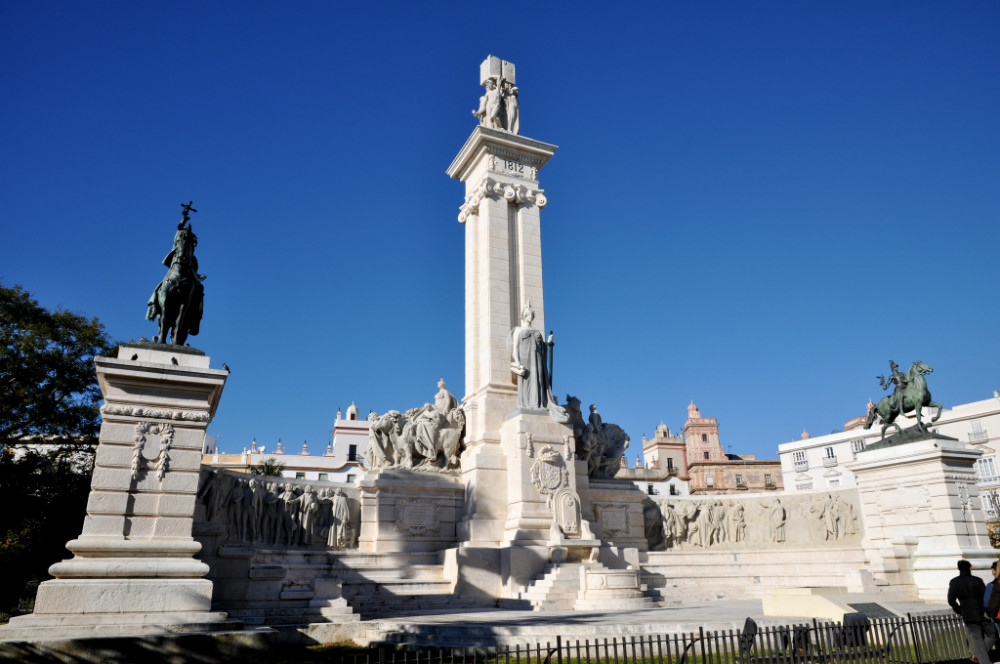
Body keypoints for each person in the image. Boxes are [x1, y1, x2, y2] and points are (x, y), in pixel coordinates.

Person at [948, 559, 996, 663]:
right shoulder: (978, 580)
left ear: (958, 568)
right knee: (993, 635)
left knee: (977, 639)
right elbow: (985, 598)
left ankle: (978, 656)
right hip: (982, 612)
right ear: (971, 568)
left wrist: (960, 610)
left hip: (968, 614)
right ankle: (979, 656)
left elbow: (951, 600)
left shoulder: (954, 582)